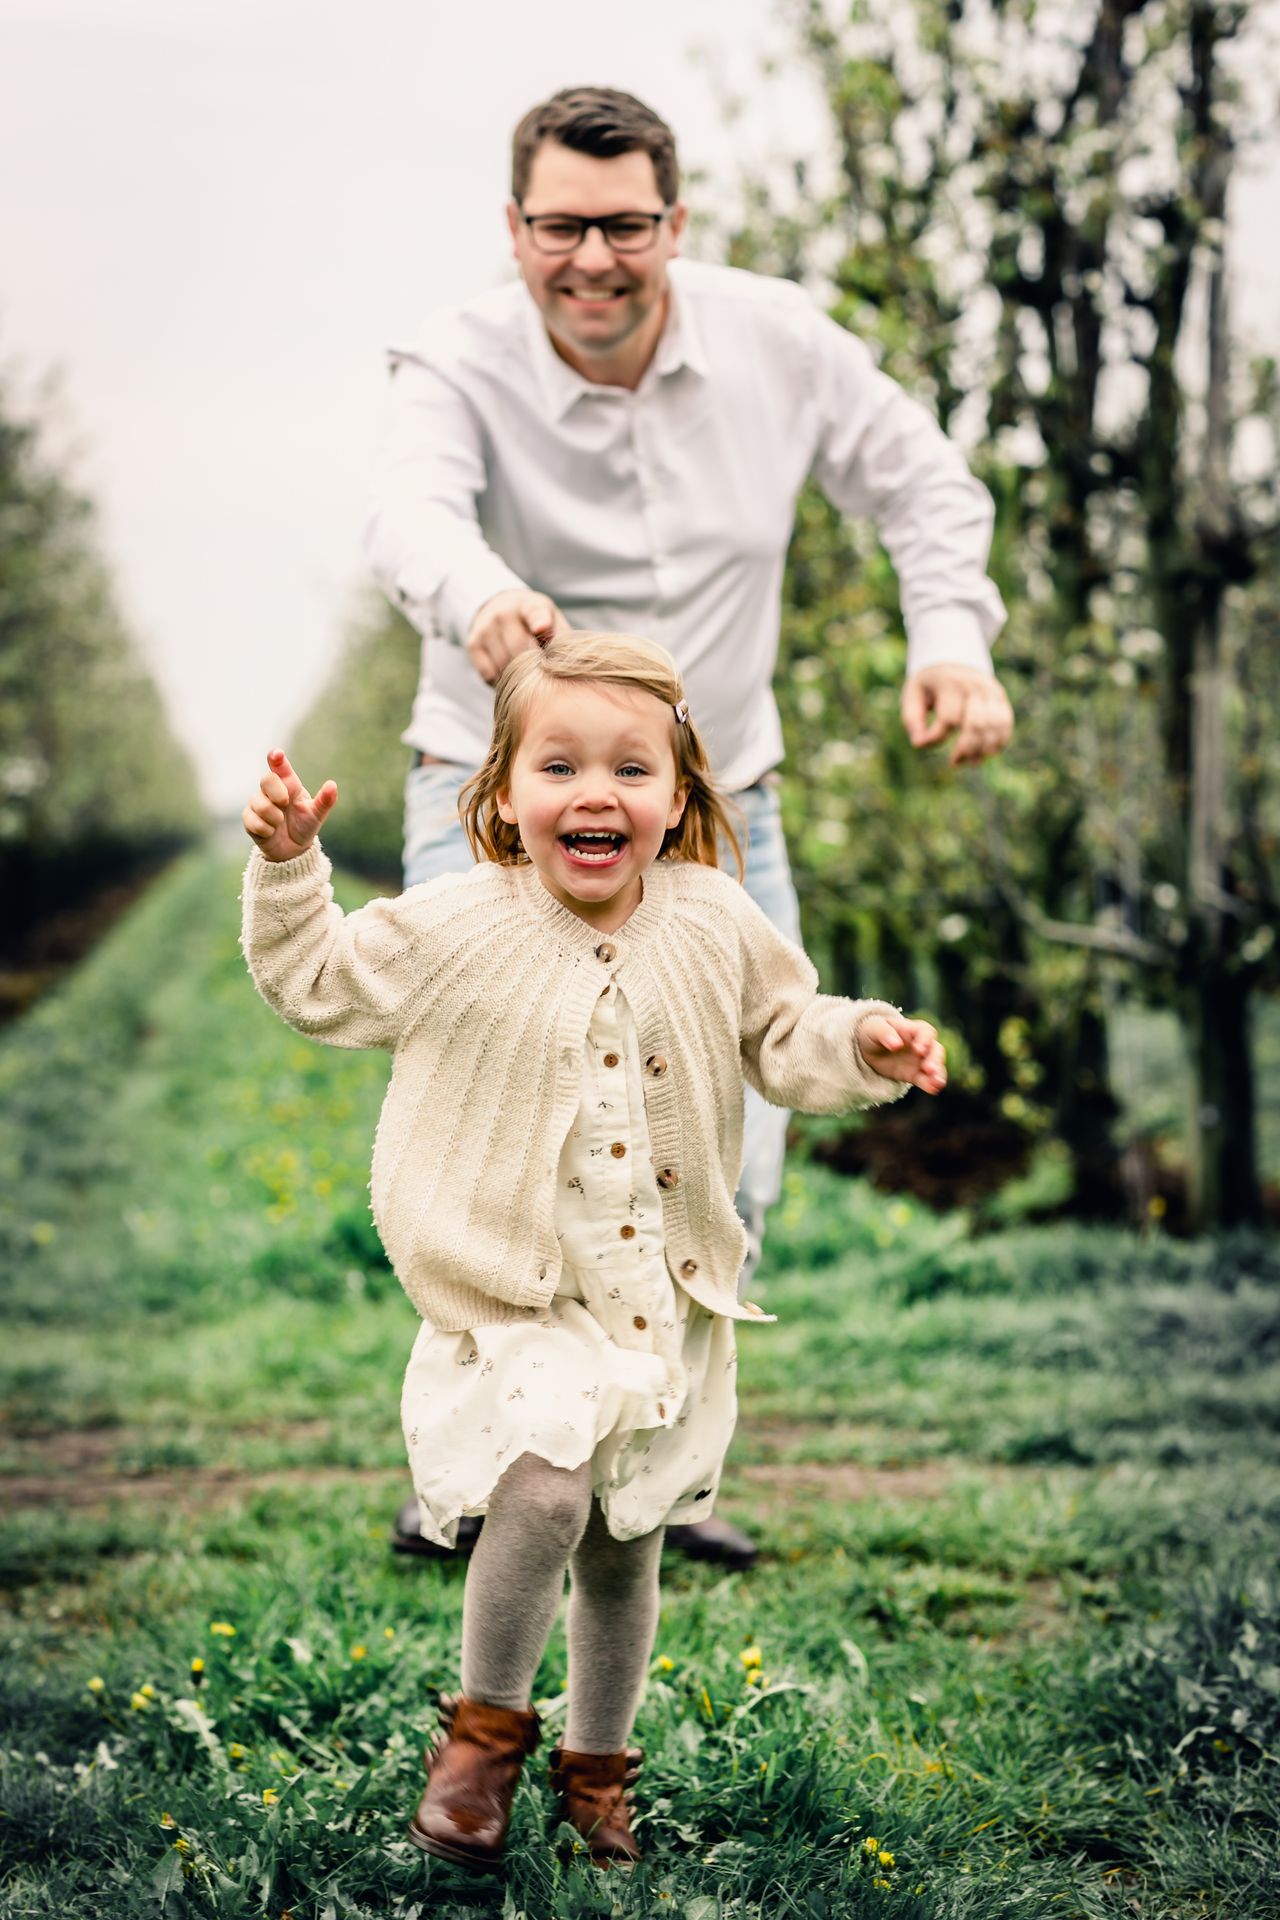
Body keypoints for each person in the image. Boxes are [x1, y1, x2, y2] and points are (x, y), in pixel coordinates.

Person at [365, 84, 1011, 1567]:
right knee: (502, 1136)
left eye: (625, 226)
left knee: (728, 1146)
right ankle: (478, 1467)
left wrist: (951, 640)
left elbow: (922, 486)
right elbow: (408, 508)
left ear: (675, 222)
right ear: (514, 228)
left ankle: (650, 1467)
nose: (592, 259)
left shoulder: (779, 341)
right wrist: (481, 599)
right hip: (494, 794)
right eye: (559, 228)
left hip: (717, 806)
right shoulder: (457, 360)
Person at [241, 631, 947, 1871]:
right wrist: (293, 867)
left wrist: (863, 1042)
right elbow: (317, 981)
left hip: (650, 1301)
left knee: (627, 1541)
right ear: (503, 796)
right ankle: (484, 1734)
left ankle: (598, 1772)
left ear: (675, 798)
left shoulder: (714, 919)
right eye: (557, 765)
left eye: (630, 769)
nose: (594, 792)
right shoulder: (459, 922)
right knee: (548, 1486)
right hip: (517, 1298)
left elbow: (783, 1030)